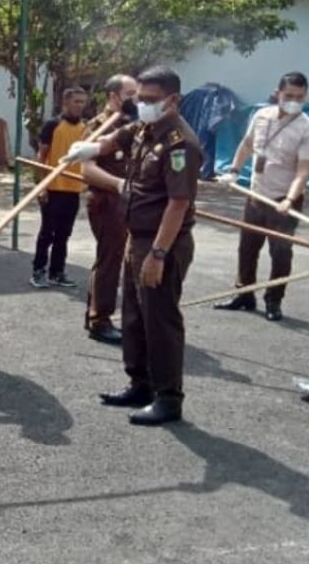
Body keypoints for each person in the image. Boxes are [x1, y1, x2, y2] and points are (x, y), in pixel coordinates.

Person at [69, 65, 202, 426]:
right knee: (134, 316)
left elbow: (178, 204)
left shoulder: (180, 144)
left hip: (162, 243)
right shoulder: (148, 128)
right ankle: (140, 383)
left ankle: (168, 398)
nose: (141, 105)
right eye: (139, 98)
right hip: (136, 237)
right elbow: (123, 135)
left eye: (150, 100)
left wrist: (158, 254)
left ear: (172, 100)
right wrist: (93, 147)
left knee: (160, 320)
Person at [214, 72, 309, 322]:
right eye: (289, 95)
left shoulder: (308, 129)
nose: (294, 100)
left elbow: (304, 170)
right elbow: (247, 144)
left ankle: (274, 300)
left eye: (300, 97)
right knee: (247, 248)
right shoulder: (261, 116)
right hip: (256, 194)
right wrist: (233, 170)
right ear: (278, 93)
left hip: (284, 198)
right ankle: (244, 294)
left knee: (280, 252)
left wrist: (289, 199)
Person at [79, 74, 139, 344]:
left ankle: (102, 313)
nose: (136, 99)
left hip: (131, 201)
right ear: (113, 96)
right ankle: (99, 319)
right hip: (106, 202)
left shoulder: (134, 124)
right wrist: (119, 184)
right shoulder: (98, 126)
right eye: (130, 94)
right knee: (110, 258)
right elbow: (87, 169)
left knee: (125, 258)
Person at [30, 87, 88, 289]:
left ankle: (57, 272)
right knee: (47, 232)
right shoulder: (53, 125)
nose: (80, 105)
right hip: (53, 188)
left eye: (82, 102)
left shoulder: (85, 128)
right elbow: (41, 156)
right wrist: (42, 186)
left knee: (64, 234)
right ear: (65, 103)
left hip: (73, 189)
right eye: (76, 101)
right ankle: (38, 271)